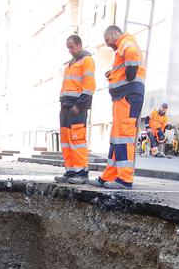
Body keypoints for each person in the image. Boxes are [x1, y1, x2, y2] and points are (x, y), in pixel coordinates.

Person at [94, 25, 145, 189]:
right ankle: (110, 176)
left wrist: (129, 73)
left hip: (128, 96)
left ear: (115, 34)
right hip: (123, 97)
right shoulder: (122, 46)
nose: (108, 44)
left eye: (108, 40)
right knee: (117, 138)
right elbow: (126, 67)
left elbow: (131, 58)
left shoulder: (126, 41)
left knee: (124, 137)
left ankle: (125, 179)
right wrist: (113, 74)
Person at [55, 35, 96, 184]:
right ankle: (70, 170)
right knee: (66, 139)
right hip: (66, 106)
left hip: (76, 106)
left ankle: (81, 172)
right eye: (68, 47)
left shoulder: (87, 60)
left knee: (77, 139)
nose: (70, 50)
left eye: (72, 47)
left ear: (79, 45)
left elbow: (89, 85)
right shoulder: (72, 63)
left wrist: (80, 105)